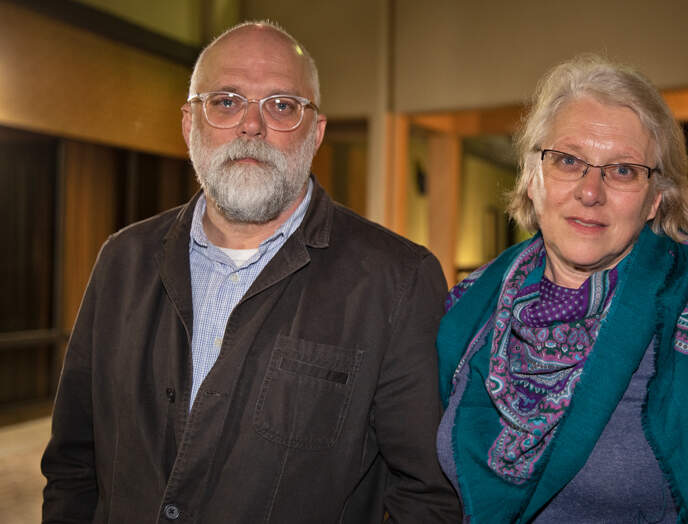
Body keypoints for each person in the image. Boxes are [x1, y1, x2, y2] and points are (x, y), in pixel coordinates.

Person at [42, 21, 460, 523]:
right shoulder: (122, 260)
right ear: (188, 123)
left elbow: (427, 498)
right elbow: (73, 466)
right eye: (225, 101)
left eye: (282, 105)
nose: (251, 126)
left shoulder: (398, 281)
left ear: (317, 131)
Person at [436, 55, 688, 523]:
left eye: (624, 170)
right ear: (533, 178)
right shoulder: (468, 309)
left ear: (656, 199)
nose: (590, 191)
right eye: (569, 160)